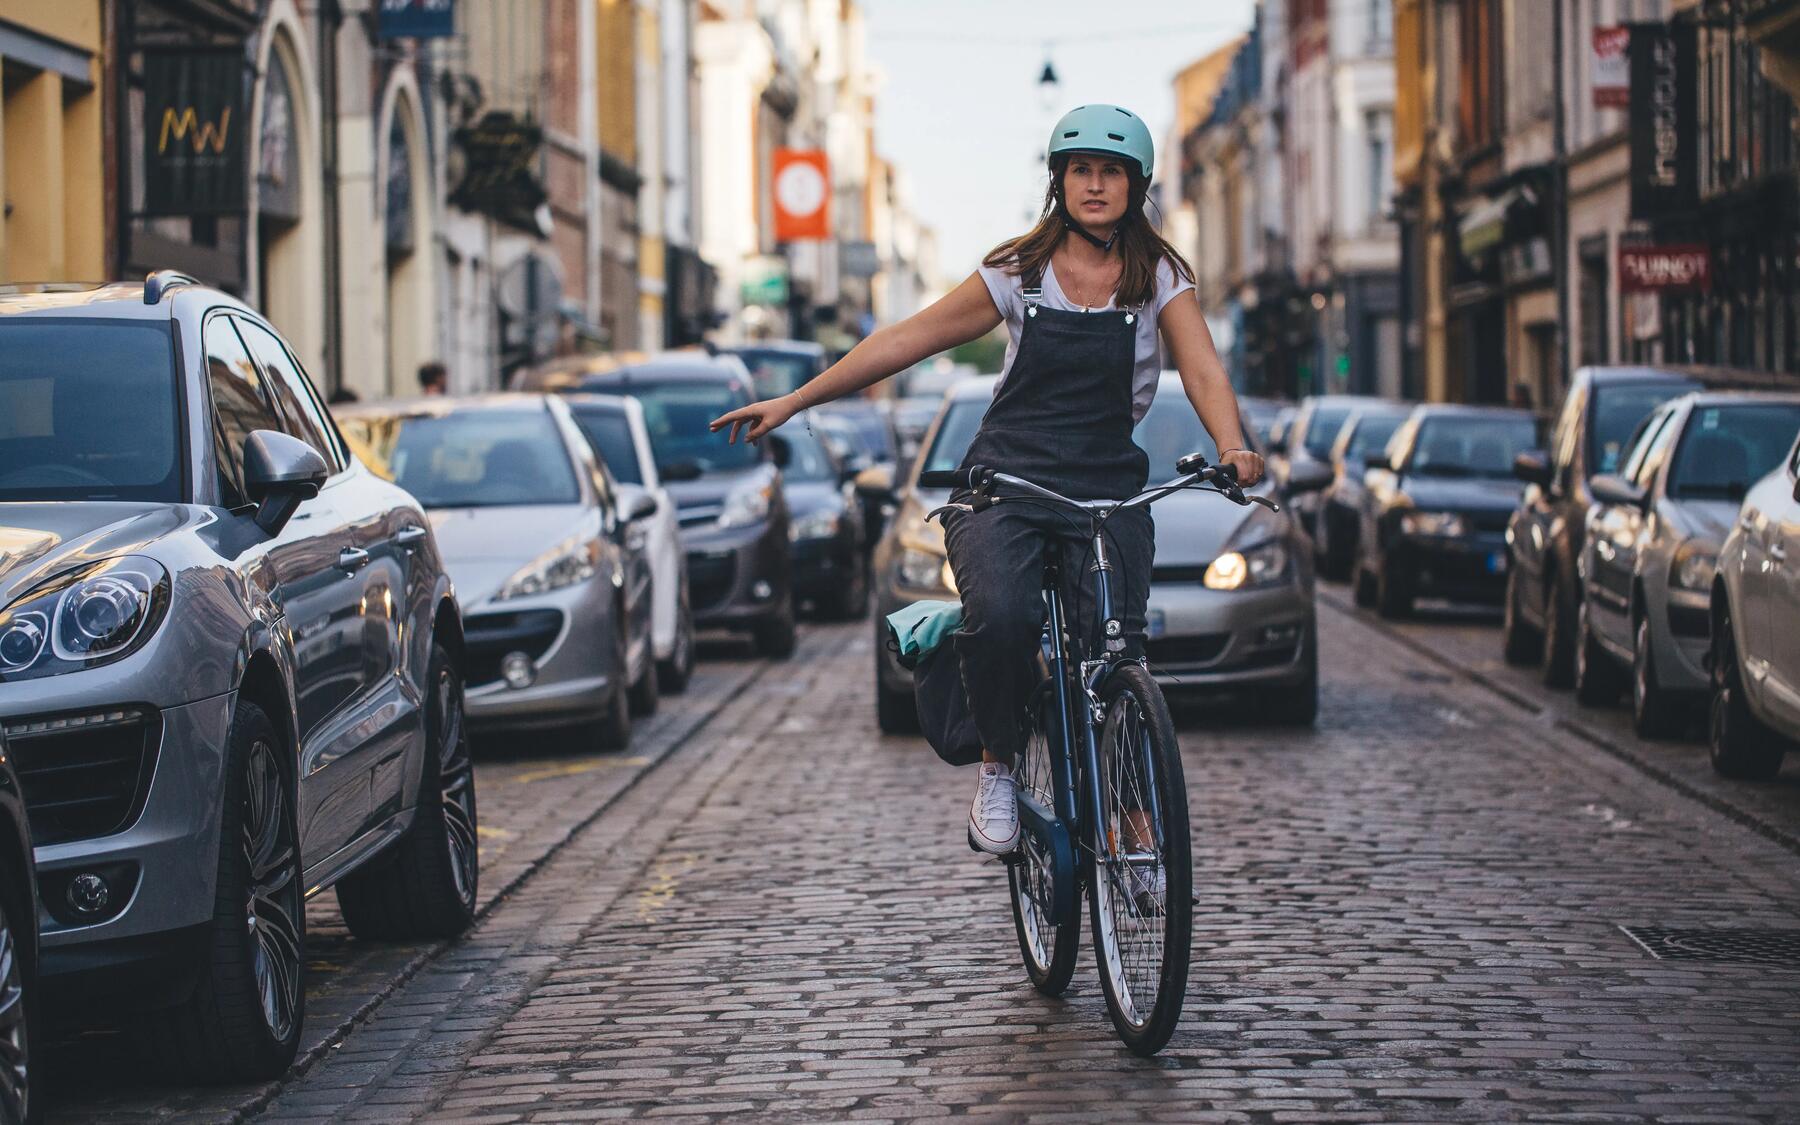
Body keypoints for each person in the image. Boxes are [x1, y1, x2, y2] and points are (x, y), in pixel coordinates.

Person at [710, 104, 1262, 857]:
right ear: (1059, 182)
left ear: (1137, 185)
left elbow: (1201, 366)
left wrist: (1233, 444)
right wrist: (797, 399)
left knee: (1118, 653)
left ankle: (1132, 820)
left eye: (1112, 173)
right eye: (1081, 171)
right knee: (1002, 619)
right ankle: (998, 761)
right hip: (1009, 481)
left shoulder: (1158, 276)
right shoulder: (1020, 271)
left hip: (1105, 487)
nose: (1095, 186)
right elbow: (910, 337)